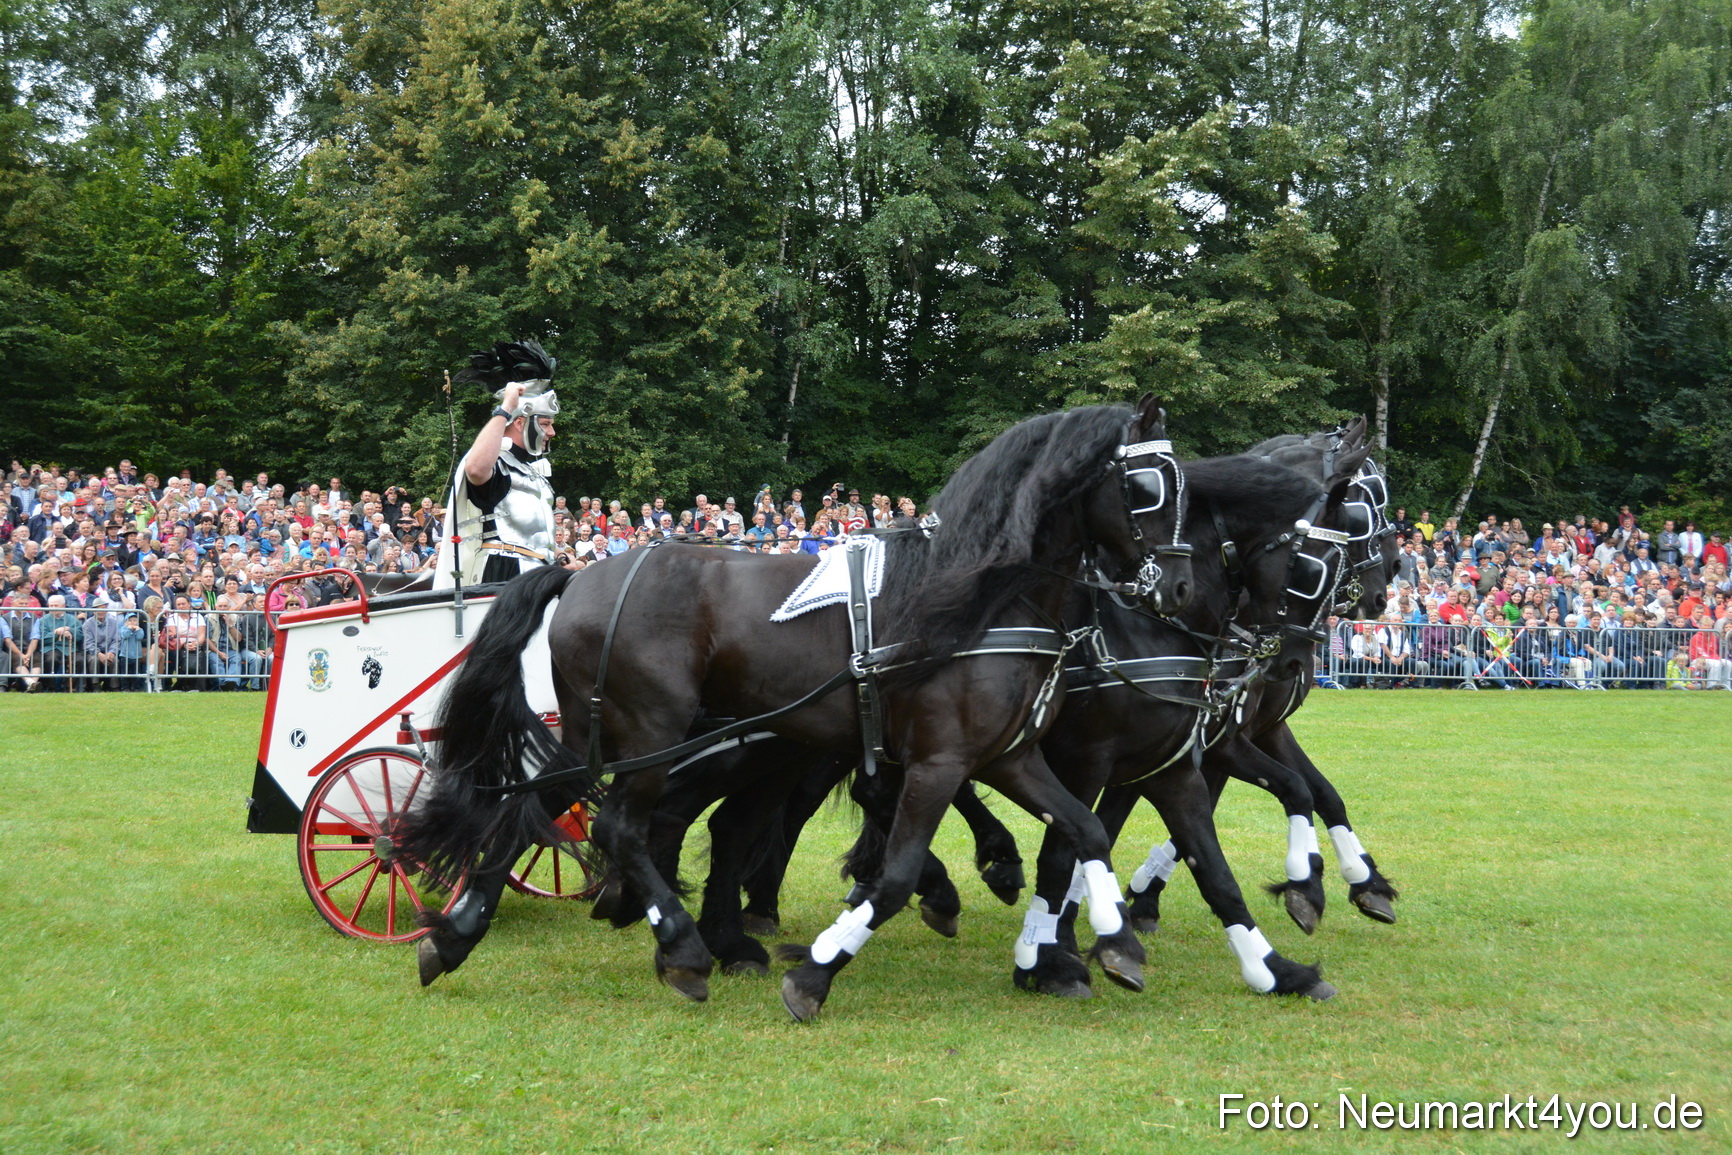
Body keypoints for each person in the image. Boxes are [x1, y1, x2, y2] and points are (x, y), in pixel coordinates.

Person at [434, 340, 561, 589]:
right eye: (545, 424)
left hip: (542, 573)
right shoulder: (497, 465)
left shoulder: (534, 472)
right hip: (505, 570)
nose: (552, 432)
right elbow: (475, 469)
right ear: (519, 423)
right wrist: (506, 408)